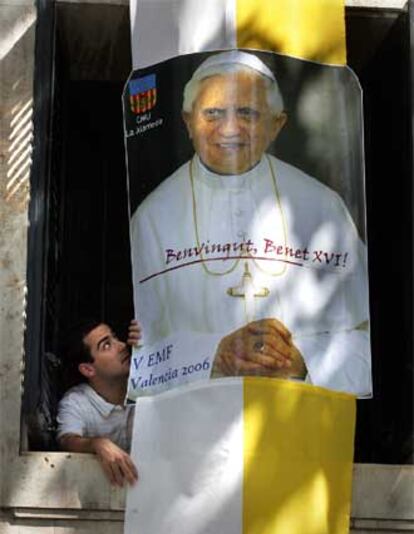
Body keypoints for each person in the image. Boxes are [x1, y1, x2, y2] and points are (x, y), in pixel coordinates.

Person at [130, 50, 371, 396]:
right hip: (194, 429)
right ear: (187, 122)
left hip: (300, 423)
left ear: (276, 125)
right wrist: (212, 355)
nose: (229, 129)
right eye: (213, 113)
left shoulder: (322, 207)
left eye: (247, 112)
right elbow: (132, 369)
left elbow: (369, 343)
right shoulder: (153, 217)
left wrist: (303, 360)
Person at [57, 319, 141, 486]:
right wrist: (97, 443)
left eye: (115, 338)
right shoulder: (77, 401)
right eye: (107, 345)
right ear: (88, 369)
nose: (122, 346)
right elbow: (67, 440)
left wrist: (151, 345)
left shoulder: (146, 384)